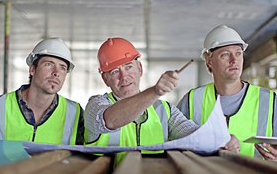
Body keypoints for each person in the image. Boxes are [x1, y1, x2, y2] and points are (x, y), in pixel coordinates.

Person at [84, 37, 239, 166]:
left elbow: (191, 133)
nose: (124, 76)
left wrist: (221, 139)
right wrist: (155, 91)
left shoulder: (164, 110)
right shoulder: (96, 105)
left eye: (129, 67)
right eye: (115, 71)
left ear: (140, 68)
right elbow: (108, 120)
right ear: (105, 79)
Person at [177, 25, 277, 165]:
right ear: (209, 60)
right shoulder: (192, 99)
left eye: (238, 53)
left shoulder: (267, 100)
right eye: (225, 54)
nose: (234, 60)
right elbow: (172, 145)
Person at [0, 38, 84, 173]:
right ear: (32, 69)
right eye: (49, 64)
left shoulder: (75, 112)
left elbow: (83, 162)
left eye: (63, 67)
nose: (56, 72)